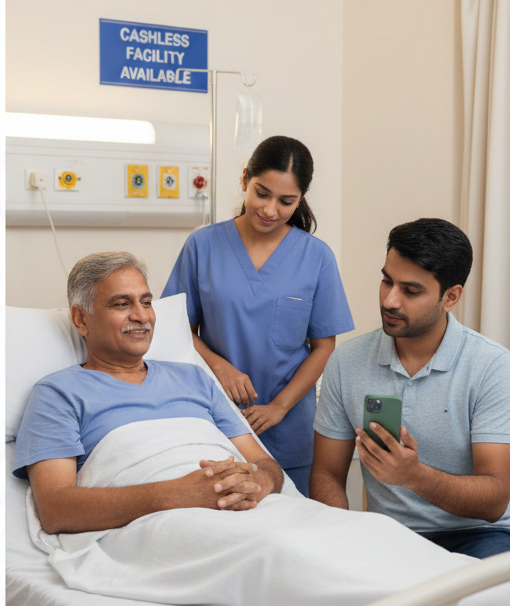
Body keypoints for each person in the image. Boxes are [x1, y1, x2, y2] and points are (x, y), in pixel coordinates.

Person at [13, 252, 284, 534]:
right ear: (81, 319)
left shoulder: (194, 378)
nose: (142, 316)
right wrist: (178, 495)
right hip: (158, 529)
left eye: (146, 302)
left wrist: (258, 485)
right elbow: (56, 510)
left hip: (250, 512)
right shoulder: (57, 394)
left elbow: (264, 463)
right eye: (121, 304)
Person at [162, 136, 354, 496]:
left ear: (301, 199)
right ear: (244, 179)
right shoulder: (202, 246)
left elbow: (323, 347)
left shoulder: (316, 257)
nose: (270, 210)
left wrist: (279, 408)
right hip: (215, 418)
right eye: (261, 193)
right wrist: (220, 366)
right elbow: (177, 329)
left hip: (287, 426)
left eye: (286, 201)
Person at [310, 218, 510, 558]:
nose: (389, 300)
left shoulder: (492, 367)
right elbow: (327, 473)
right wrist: (338, 542)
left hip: (480, 535)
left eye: (411, 290)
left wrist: (413, 475)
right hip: (390, 537)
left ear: (450, 297)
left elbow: (494, 499)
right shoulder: (347, 361)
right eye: (386, 280)